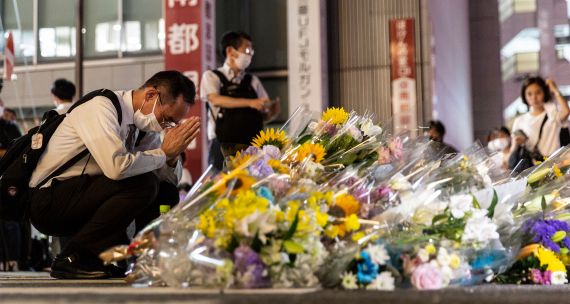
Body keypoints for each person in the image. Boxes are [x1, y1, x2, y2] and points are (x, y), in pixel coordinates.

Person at [28, 70, 201, 279]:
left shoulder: (144, 128)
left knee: (165, 191)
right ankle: (73, 257)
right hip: (50, 200)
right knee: (142, 184)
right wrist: (163, 153)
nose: (166, 126)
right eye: (166, 118)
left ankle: (142, 260)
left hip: (85, 196)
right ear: (151, 96)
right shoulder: (101, 107)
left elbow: (164, 178)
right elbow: (116, 167)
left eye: (172, 124)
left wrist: (171, 158)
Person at [201, 31, 279, 171]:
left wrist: (272, 112)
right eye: (247, 49)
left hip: (252, 147)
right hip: (222, 147)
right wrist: (250, 103)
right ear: (231, 51)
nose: (250, 54)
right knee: (220, 188)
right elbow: (216, 99)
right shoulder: (212, 76)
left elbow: (263, 113)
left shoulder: (253, 81)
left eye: (252, 51)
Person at [509, 76, 570, 171]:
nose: (534, 97)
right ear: (524, 96)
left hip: (555, 167)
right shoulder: (519, 121)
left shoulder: (552, 114)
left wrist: (555, 90)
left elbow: (566, 111)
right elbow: (513, 150)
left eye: (538, 92)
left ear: (544, 93)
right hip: (532, 169)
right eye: (529, 94)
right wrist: (517, 143)